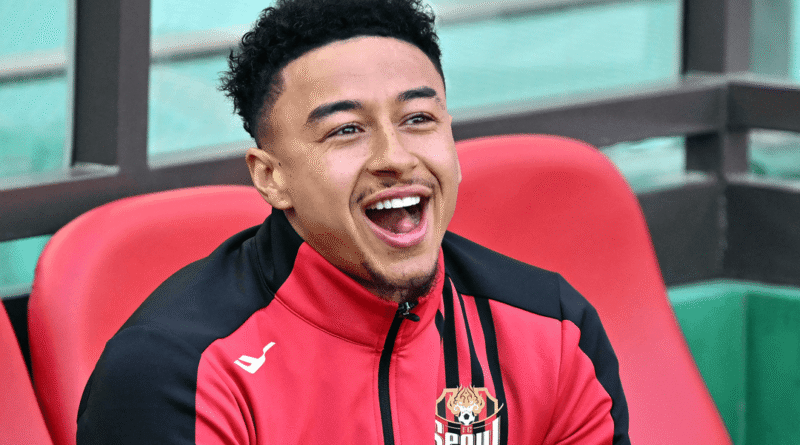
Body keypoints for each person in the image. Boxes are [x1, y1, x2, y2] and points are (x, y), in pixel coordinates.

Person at [77, 0, 630, 443]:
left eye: (418, 119)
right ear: (271, 178)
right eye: (346, 129)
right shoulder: (174, 372)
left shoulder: (553, 331)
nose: (395, 156)